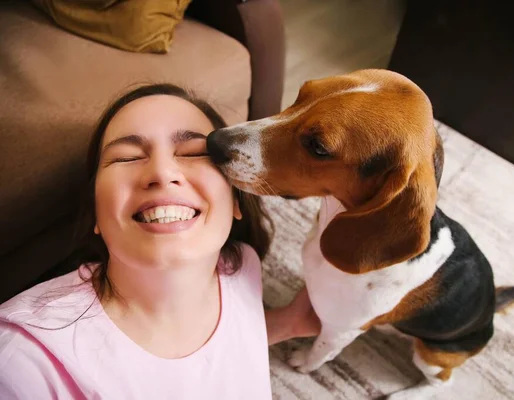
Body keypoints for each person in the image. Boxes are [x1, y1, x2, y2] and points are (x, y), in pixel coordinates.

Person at [0, 84, 320, 399]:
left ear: (236, 201)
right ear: (96, 212)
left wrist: (289, 324)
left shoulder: (241, 265)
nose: (163, 172)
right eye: (126, 158)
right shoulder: (22, 363)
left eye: (195, 153)